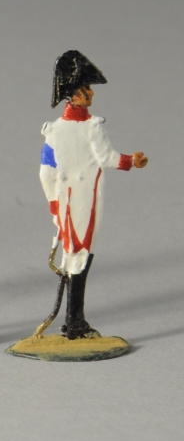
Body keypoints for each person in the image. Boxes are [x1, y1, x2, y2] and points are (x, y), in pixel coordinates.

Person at [39, 50, 146, 338]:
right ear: (75, 93)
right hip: (85, 200)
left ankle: (73, 320)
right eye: (87, 88)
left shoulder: (54, 131)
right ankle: (75, 323)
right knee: (82, 255)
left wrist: (54, 205)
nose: (92, 94)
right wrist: (131, 161)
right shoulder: (92, 128)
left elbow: (46, 173)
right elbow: (108, 157)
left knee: (73, 255)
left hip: (65, 201)